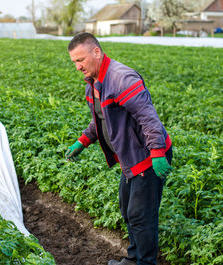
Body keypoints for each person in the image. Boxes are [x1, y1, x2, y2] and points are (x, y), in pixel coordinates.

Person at [65, 32, 173, 265]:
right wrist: (83, 140)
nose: (78, 67)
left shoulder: (121, 79)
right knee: (127, 210)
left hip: (147, 156)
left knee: (140, 215)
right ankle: (134, 258)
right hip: (130, 158)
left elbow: (148, 118)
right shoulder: (93, 84)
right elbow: (102, 119)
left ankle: (144, 263)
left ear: (96, 51)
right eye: (75, 62)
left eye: (81, 60)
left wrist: (157, 151)